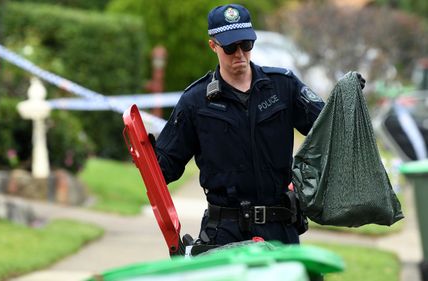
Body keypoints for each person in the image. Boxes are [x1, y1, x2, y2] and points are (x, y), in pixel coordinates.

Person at [154, 4, 362, 246]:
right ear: (213, 46)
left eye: (246, 44)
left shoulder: (283, 86)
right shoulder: (195, 101)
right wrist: (145, 151)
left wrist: (348, 101)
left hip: (280, 230)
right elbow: (163, 169)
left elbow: (330, 129)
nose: (240, 54)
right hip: (224, 234)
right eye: (230, 47)